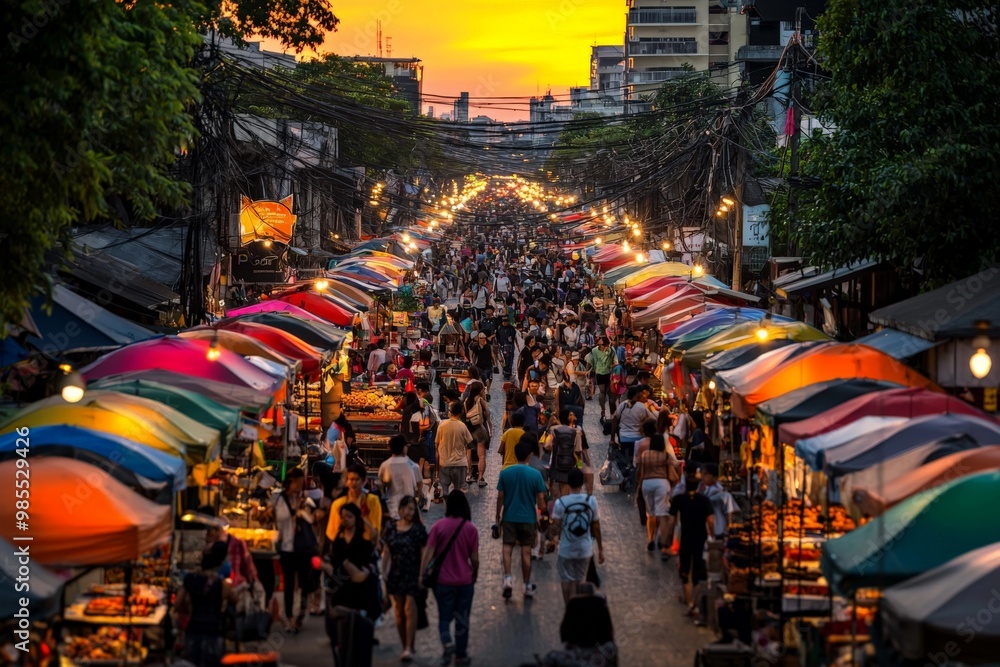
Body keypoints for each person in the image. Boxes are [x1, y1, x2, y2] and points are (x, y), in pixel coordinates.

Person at [420, 491, 479, 667]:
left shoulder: (438, 526)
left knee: (444, 617)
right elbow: (474, 559)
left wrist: (421, 574)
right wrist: (474, 574)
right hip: (464, 582)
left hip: (443, 582)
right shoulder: (470, 528)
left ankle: (447, 644)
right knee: (462, 619)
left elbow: (428, 555)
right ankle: (460, 656)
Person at [260, 468, 315, 632]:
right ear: (289, 482)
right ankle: (289, 616)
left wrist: (305, 512)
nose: (300, 485)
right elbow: (272, 519)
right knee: (289, 583)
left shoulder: (305, 500)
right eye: (297, 482)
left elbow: (312, 520)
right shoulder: (278, 499)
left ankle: (300, 614)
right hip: (286, 547)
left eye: (301, 482)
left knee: (305, 583)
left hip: (304, 548)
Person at [324, 503, 380, 666]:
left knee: (360, 638)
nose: (345, 520)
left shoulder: (363, 541)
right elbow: (334, 566)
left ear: (356, 519)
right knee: (341, 637)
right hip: (342, 592)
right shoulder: (338, 541)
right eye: (342, 517)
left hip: (361, 593)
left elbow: (374, 543)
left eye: (349, 517)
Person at [496, 440, 548, 599]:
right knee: (526, 551)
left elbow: (500, 497)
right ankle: (526, 585)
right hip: (528, 518)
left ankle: (508, 579)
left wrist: (497, 516)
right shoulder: (535, 474)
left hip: (509, 516)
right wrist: (543, 515)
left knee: (507, 548)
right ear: (530, 455)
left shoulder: (505, 473)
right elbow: (540, 499)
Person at [381, 496, 429, 662]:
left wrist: (422, 575)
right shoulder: (391, 528)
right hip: (395, 574)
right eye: (407, 508)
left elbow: (424, 553)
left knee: (410, 608)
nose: (409, 512)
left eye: (412, 508)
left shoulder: (418, 529)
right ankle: (406, 646)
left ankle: (409, 647)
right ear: (400, 510)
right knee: (399, 612)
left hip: (413, 574)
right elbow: (386, 552)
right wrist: (383, 574)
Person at [177, 541, 239, 667]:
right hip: (213, 632)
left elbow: (178, 603)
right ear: (218, 564)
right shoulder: (221, 584)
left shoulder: (189, 579)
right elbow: (236, 600)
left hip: (193, 630)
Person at [666, 471, 716, 623]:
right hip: (700, 539)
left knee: (685, 571)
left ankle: (689, 602)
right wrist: (712, 536)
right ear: (698, 485)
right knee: (698, 573)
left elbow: (671, 521)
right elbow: (711, 521)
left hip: (685, 539)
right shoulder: (704, 500)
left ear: (685, 485)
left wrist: (668, 539)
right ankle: (693, 604)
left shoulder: (679, 499)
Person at [550, 468, 603, 603]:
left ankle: (569, 609)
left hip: (566, 548)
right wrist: (601, 549)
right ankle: (578, 610)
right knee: (580, 580)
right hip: (584, 549)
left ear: (568, 483)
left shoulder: (560, 503)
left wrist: (551, 539)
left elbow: (555, 526)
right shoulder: (591, 501)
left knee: (566, 579)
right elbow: (596, 527)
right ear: (583, 484)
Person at [637, 434, 677, 561]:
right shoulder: (665, 455)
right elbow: (674, 466)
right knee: (662, 513)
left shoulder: (645, 455)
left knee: (650, 513)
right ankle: (664, 544)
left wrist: (639, 487)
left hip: (647, 484)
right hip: (661, 483)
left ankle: (650, 538)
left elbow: (641, 473)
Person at [327, 464, 383, 545]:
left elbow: (375, 531)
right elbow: (332, 533)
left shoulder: (373, 501)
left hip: (366, 546)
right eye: (350, 479)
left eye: (356, 479)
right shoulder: (338, 504)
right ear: (346, 481)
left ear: (364, 481)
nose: (353, 483)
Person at [378, 435, 422, 521]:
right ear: (403, 448)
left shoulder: (385, 465)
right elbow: (419, 485)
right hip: (409, 511)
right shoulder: (413, 466)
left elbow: (381, 486)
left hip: (392, 509)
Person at [436, 401, 473, 496]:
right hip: (459, 463)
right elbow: (469, 443)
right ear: (461, 413)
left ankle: (447, 506)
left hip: (444, 463)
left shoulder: (442, 426)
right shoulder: (462, 426)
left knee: (444, 490)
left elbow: (436, 444)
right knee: (458, 491)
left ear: (450, 412)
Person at [612, 385, 656, 462]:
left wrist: (612, 437)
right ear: (639, 394)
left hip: (623, 437)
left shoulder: (623, 405)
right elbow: (653, 419)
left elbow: (615, 419)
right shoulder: (642, 407)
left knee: (624, 459)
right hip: (638, 438)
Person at [463, 381, 492, 487]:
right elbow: (487, 415)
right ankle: (480, 478)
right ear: (480, 391)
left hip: (469, 429)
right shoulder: (481, 400)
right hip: (479, 429)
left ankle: (468, 474)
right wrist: (490, 428)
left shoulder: (466, 401)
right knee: (481, 455)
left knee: (468, 453)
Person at [586, 337, 617, 422]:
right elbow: (589, 361)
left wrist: (611, 366)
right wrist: (588, 371)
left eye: (603, 345)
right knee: (602, 392)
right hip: (600, 374)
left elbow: (616, 362)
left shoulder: (611, 351)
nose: (602, 347)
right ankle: (603, 410)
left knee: (609, 393)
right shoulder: (595, 351)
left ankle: (610, 412)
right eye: (601, 345)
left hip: (609, 374)